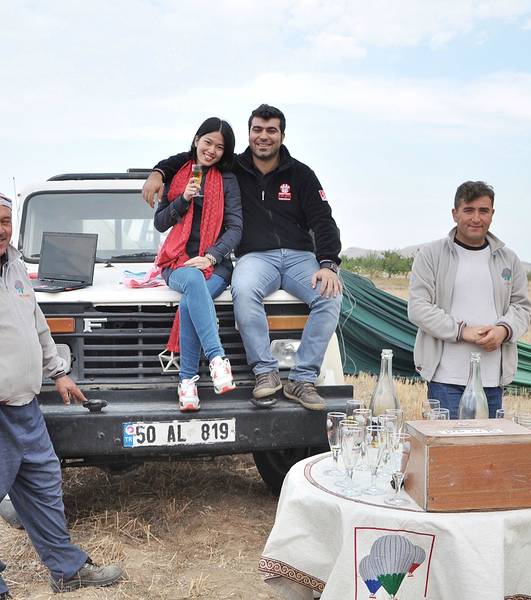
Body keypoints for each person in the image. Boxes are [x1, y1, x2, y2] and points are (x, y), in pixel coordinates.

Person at [143, 104, 342, 411]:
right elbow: (192, 156)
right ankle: (265, 372)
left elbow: (323, 220)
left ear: (282, 135)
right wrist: (158, 173)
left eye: (271, 130)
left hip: (300, 256)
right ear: (249, 133)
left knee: (330, 295)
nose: (264, 136)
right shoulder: (233, 168)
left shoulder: (301, 174)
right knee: (244, 290)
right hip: (255, 256)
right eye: (257, 129)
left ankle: (302, 379)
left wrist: (328, 263)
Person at [0, 193, 123, 597]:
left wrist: (58, 372)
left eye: (5, 221)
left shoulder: (15, 266)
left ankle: (67, 570)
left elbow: (36, 323)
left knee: (44, 485)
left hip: (25, 406)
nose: (1, 229)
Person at [407, 181, 531, 418]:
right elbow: (418, 308)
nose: (476, 218)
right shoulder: (430, 255)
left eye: (483, 211)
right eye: (468, 210)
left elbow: (522, 308)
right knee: (451, 441)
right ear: (455, 214)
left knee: (486, 442)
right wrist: (462, 331)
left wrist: (503, 330)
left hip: (492, 378)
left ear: (492, 214)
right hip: (445, 377)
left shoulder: (508, 259)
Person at [154, 117, 242, 411]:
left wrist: (211, 256)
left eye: (220, 147)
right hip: (176, 261)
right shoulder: (178, 175)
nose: (212, 150)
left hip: (216, 265)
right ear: (196, 140)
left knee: (190, 300)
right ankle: (217, 359)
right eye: (208, 142)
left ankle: (187, 382)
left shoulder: (227, 180)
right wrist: (182, 199)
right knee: (192, 281)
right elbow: (160, 223)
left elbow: (235, 228)